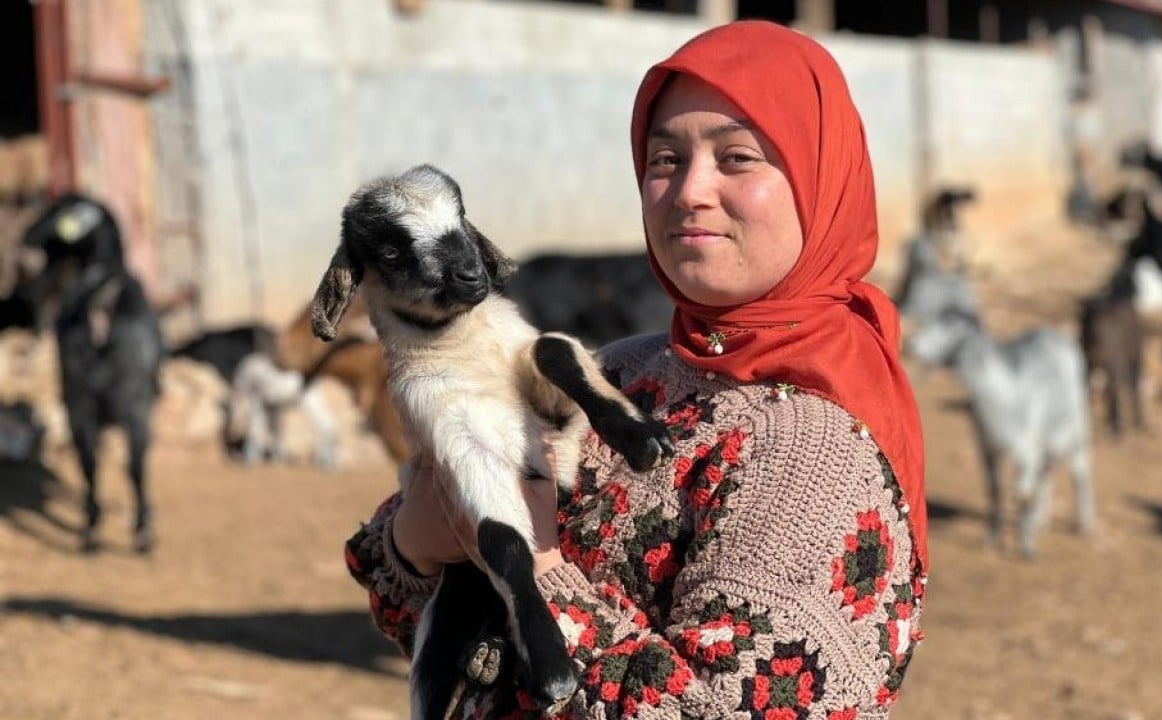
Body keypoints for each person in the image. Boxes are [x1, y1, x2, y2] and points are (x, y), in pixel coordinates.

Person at [344, 20, 928, 719]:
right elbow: (410, 593)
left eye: (738, 158)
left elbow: (726, 709)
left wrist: (537, 571)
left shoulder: (814, 449)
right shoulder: (620, 372)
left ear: (820, 177)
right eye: (664, 159)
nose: (689, 191)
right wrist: (416, 540)